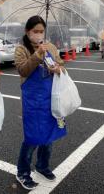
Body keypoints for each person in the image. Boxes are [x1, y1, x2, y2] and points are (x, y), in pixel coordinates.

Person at [14, 15, 67, 190]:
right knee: (32, 137)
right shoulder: (22, 49)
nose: (38, 34)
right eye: (35, 31)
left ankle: (42, 166)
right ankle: (22, 172)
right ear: (27, 32)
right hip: (32, 101)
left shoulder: (50, 46)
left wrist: (57, 68)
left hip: (50, 98)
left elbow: (61, 65)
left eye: (41, 31)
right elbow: (23, 70)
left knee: (49, 135)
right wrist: (37, 55)